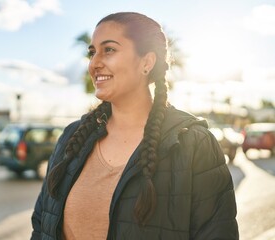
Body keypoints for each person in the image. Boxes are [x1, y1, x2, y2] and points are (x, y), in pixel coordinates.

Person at [31, 12, 239, 239]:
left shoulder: (194, 144)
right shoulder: (71, 137)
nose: (94, 63)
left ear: (147, 62)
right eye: (92, 52)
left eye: (109, 49)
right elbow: (41, 225)